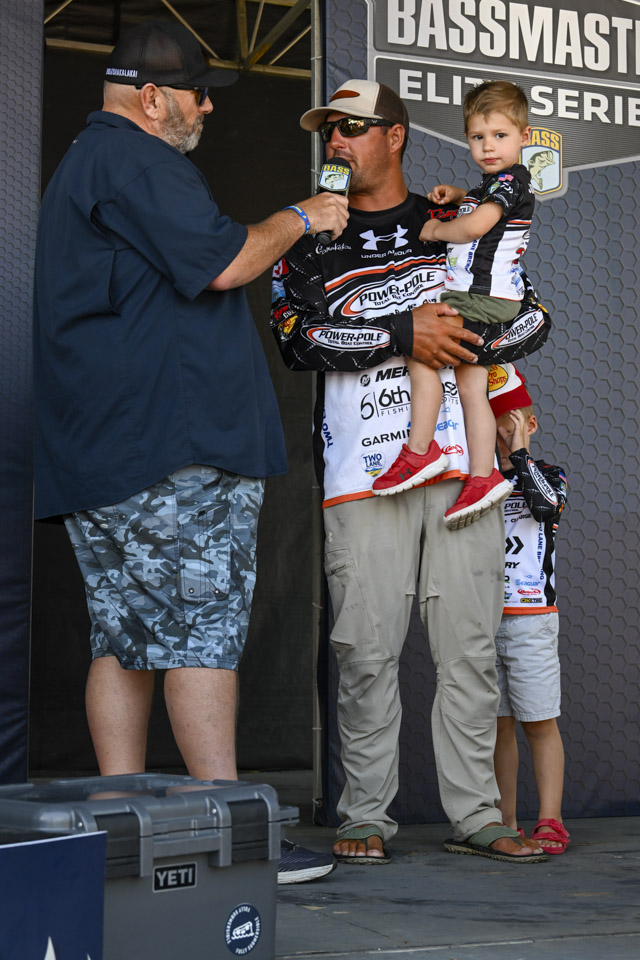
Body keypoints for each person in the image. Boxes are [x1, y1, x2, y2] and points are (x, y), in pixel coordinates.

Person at [33, 19, 350, 884]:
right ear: (152, 98)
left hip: (105, 451)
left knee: (122, 638)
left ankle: (115, 830)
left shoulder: (85, 163)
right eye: (198, 93)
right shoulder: (138, 160)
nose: (208, 107)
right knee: (199, 635)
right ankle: (236, 839)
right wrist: (302, 216)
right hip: (169, 452)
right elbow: (226, 263)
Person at [271, 78, 551, 863]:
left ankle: (479, 816)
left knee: (469, 650)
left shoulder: (453, 220)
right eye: (329, 130)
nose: (336, 141)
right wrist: (403, 333)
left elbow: (531, 316)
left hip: (462, 471)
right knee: (364, 652)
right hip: (362, 473)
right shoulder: (307, 235)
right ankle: (364, 814)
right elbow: (295, 338)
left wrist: (471, 339)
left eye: (352, 128)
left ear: (394, 135)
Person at [372, 82, 535, 533]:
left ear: (524, 136)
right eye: (478, 137)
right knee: (471, 386)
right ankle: (483, 476)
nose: (488, 146)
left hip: (480, 300)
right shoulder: (498, 185)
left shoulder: (509, 181)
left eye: (500, 136)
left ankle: (421, 450)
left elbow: (477, 226)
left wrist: (437, 230)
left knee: (421, 350)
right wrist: (462, 195)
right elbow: (488, 209)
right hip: (489, 300)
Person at [489, 364, 570, 854]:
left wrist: (519, 455)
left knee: (538, 720)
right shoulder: (477, 481)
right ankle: (505, 821)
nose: (501, 433)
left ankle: (550, 820)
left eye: (511, 423)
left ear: (531, 424)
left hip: (532, 617)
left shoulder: (550, 476)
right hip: (484, 619)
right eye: (494, 424)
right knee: (498, 725)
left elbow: (546, 508)